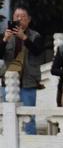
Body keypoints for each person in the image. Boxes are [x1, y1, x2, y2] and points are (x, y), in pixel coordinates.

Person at [1, 7, 43, 135]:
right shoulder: (5, 34)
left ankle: (31, 146)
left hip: (28, 81)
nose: (18, 19)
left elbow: (37, 51)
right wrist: (4, 40)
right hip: (8, 82)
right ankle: (9, 145)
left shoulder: (35, 35)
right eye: (16, 16)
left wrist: (24, 37)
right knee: (8, 116)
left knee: (29, 116)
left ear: (28, 19)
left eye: (22, 16)